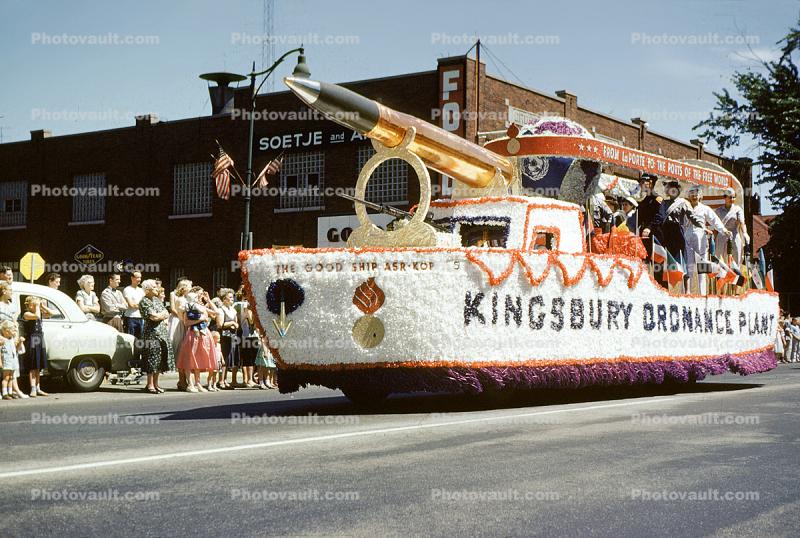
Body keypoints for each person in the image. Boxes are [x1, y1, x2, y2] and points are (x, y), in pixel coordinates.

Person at [683, 186, 730, 294]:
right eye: (692, 194)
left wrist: (723, 230)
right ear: (689, 196)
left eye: (696, 194)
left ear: (700, 196)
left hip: (701, 237)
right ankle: (686, 293)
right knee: (688, 267)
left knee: (702, 267)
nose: (694, 196)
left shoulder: (705, 208)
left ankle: (703, 293)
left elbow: (714, 220)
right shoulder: (684, 207)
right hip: (688, 237)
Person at [176, 290, 217, 392]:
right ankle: (190, 384)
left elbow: (216, 312)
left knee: (198, 358)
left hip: (204, 333)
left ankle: (198, 383)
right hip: (193, 333)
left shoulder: (202, 307)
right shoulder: (188, 308)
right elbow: (186, 323)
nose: (199, 298)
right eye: (197, 297)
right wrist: (201, 319)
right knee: (190, 358)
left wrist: (208, 300)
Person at [138, 279, 174, 394]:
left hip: (162, 333)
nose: (156, 289)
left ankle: (156, 383)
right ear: (147, 290)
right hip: (151, 333)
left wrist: (160, 315)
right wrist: (160, 315)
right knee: (151, 358)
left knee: (160, 358)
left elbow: (166, 313)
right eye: (154, 287)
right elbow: (152, 317)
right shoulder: (144, 301)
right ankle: (149, 384)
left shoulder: (157, 300)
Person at [22, 296, 49, 397]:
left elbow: (51, 314)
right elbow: (37, 316)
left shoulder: (38, 311)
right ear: (29, 305)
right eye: (34, 304)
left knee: (38, 365)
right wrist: (38, 307)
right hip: (32, 337)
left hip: (39, 337)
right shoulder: (27, 314)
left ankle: (38, 388)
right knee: (33, 365)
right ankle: (33, 388)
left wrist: (43, 306)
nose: (35, 305)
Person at [715, 188, 749, 266]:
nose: (732, 199)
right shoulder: (718, 211)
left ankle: (736, 276)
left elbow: (742, 223)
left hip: (734, 235)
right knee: (720, 260)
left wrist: (745, 233)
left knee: (737, 258)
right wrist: (715, 239)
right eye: (730, 197)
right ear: (725, 197)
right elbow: (715, 227)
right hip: (722, 236)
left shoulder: (738, 210)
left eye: (734, 197)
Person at [234, 286, 258, 388]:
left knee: (250, 358)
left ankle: (249, 379)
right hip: (247, 335)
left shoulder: (242, 305)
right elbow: (251, 321)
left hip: (251, 335)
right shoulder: (244, 305)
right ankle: (248, 379)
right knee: (248, 358)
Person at [217, 288, 241, 388]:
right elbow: (220, 324)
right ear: (224, 299)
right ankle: (221, 381)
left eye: (232, 297)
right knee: (224, 358)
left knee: (230, 358)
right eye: (230, 297)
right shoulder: (221, 309)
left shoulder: (233, 309)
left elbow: (237, 323)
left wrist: (235, 325)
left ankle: (226, 379)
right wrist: (231, 323)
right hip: (224, 336)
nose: (232, 299)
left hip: (232, 335)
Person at [1, 320, 28, 399]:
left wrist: (20, 342)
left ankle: (10, 392)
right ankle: (5, 393)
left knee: (11, 378)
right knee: (6, 377)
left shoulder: (12, 340)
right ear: (7, 331)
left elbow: (16, 350)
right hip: (6, 361)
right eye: (13, 330)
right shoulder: (2, 340)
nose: (15, 332)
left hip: (13, 361)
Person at [122, 271, 144, 339]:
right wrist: (141, 306)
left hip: (141, 318)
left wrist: (138, 305)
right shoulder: (127, 289)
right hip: (130, 318)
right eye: (137, 277)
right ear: (132, 278)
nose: (139, 279)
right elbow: (131, 305)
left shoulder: (141, 290)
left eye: (140, 277)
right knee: (130, 339)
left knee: (140, 339)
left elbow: (144, 304)